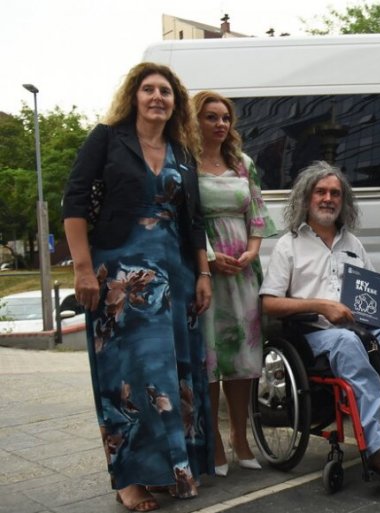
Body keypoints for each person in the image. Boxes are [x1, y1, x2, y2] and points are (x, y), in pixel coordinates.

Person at [62, 62, 214, 512]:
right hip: (120, 274)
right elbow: (74, 200)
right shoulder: (107, 139)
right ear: (134, 96)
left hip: (175, 273)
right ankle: (129, 478)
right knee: (129, 373)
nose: (157, 97)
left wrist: (203, 273)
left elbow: (194, 219)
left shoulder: (181, 151)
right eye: (149, 89)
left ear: (175, 102)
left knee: (173, 372)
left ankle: (167, 470)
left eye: (166, 91)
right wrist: (83, 269)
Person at [259, 161, 380, 478]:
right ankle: (378, 448)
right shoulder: (289, 244)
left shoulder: (352, 243)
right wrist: (322, 306)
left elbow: (369, 293)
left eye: (335, 193)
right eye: (321, 192)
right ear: (306, 198)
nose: (328, 198)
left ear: (344, 201)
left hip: (362, 328)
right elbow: (269, 303)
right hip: (316, 334)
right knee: (346, 341)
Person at [192, 91, 277, 477]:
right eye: (211, 117)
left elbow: (257, 212)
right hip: (205, 272)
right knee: (211, 358)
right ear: (196, 121)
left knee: (243, 359)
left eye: (225, 118)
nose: (220, 124)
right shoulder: (186, 163)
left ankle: (240, 438)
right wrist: (210, 258)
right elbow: (189, 219)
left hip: (243, 272)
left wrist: (252, 251)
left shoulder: (243, 163)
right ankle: (213, 442)